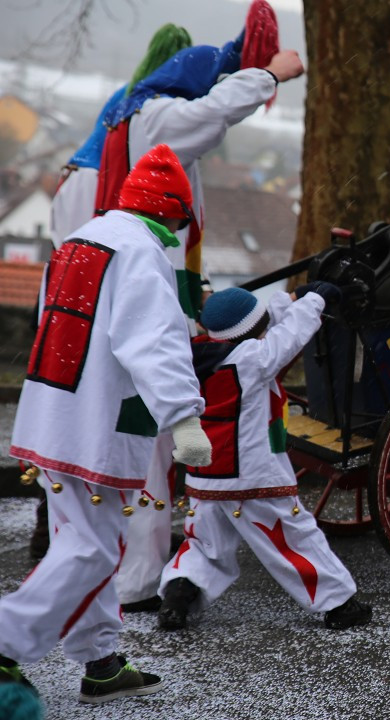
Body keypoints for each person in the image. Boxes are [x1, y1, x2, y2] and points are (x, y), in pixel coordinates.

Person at [94, 1, 305, 612]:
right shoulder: (160, 118)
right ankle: (135, 581)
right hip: (149, 319)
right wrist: (270, 73)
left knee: (146, 448)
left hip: (159, 305)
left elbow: (183, 236)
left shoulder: (146, 121)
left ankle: (134, 570)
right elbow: (214, 111)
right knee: (150, 448)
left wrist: (197, 290)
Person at [0, 144, 211, 704]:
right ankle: (5, 645)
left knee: (85, 540)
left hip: (52, 415)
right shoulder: (143, 253)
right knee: (92, 550)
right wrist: (184, 419)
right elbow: (154, 343)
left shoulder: (80, 240)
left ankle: (100, 660)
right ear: (171, 212)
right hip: (97, 427)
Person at [157, 286, 372, 632]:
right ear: (252, 332)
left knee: (204, 542)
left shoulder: (197, 356)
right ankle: (339, 605)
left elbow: (270, 330)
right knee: (295, 537)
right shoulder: (252, 360)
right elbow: (290, 336)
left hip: (206, 475)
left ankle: (178, 596)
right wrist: (314, 299)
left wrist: (287, 300)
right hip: (254, 474)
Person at [50, 23, 193, 249]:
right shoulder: (157, 101)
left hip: (78, 174)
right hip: (96, 180)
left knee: (68, 257)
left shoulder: (130, 91)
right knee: (84, 256)